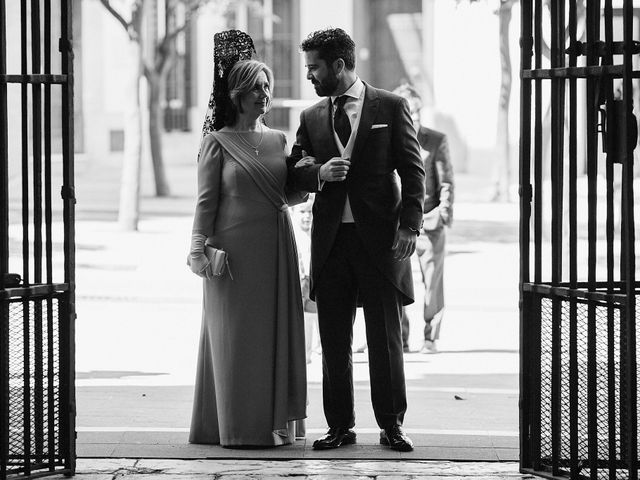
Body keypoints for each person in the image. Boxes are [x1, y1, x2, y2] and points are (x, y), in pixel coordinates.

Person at [287, 28, 426, 452]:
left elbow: (413, 170)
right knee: (333, 341)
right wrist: (317, 173)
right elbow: (296, 167)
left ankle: (391, 425)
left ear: (339, 66)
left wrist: (409, 225)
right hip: (330, 243)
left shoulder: (391, 106)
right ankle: (339, 426)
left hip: (381, 241)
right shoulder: (311, 117)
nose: (309, 75)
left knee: (385, 340)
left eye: (314, 67)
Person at [187, 30, 307, 447]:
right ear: (237, 94)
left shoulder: (278, 140)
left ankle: (271, 425)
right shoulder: (215, 142)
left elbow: (286, 195)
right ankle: (234, 427)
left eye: (268, 87)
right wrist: (197, 248)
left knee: (271, 339)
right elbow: (205, 203)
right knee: (234, 340)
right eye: (255, 88)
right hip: (232, 256)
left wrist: (310, 180)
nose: (264, 94)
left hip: (275, 249)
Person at [393, 84, 454, 355]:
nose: (415, 117)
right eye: (409, 112)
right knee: (396, 282)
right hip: (396, 224)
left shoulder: (436, 140)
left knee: (433, 283)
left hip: (429, 220)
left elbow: (447, 181)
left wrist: (443, 215)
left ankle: (430, 337)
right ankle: (401, 337)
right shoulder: (389, 139)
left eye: (418, 111)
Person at [291, 194, 321, 363]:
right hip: (300, 280)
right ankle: (305, 354)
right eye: (302, 212)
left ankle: (314, 351)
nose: (307, 216)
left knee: (313, 316)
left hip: (312, 279)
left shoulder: (316, 234)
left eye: (310, 212)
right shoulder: (293, 235)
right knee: (305, 319)